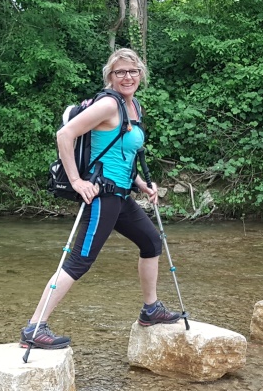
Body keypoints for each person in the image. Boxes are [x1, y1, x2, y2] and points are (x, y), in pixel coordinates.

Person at [21, 48, 182, 350]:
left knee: (151, 242)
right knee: (79, 261)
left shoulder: (134, 107)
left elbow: (121, 154)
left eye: (132, 71)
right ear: (110, 76)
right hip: (101, 196)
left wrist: (141, 184)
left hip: (121, 196)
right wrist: (76, 181)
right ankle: (34, 327)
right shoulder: (108, 104)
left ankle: (151, 309)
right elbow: (64, 135)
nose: (127, 77)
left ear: (141, 74)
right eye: (120, 72)